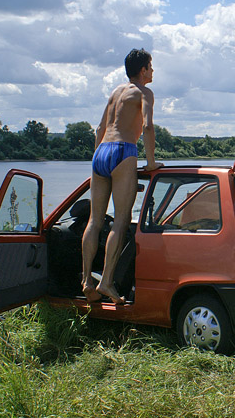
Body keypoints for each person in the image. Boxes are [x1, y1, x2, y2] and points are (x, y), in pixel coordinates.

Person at [81, 48, 163, 304]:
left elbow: (98, 130)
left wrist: (98, 162)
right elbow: (148, 126)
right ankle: (106, 281)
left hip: (101, 152)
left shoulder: (115, 92)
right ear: (143, 70)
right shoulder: (144, 93)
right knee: (121, 220)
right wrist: (150, 163)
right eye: (150, 66)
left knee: (94, 221)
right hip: (123, 150)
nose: (152, 71)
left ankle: (86, 281)